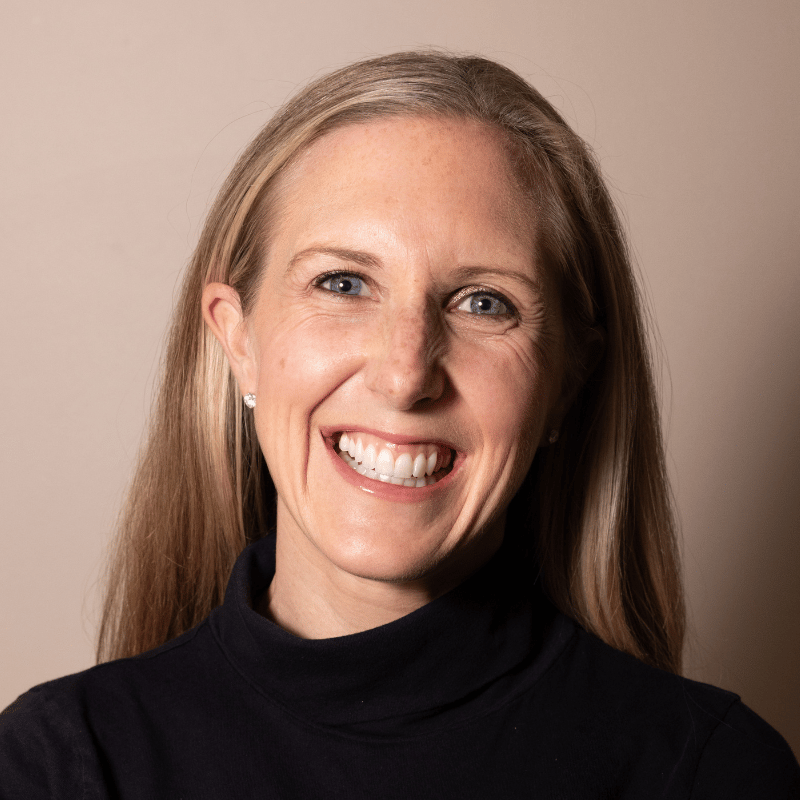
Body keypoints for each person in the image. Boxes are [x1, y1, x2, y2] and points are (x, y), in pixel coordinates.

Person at [1, 51, 798, 798]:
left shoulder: (712, 774)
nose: (406, 372)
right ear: (239, 340)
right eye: (344, 283)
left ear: (567, 383)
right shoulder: (63, 765)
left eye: (485, 302)